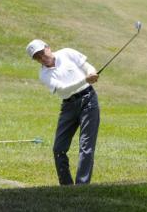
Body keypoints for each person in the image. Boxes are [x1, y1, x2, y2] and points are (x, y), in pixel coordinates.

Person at [26, 39, 100, 185]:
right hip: (68, 106)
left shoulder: (67, 53)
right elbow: (64, 90)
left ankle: (81, 186)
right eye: (37, 57)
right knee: (58, 149)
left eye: (42, 53)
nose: (42, 58)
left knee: (86, 146)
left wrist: (91, 72)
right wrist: (85, 79)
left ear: (48, 47)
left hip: (88, 100)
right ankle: (66, 186)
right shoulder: (44, 75)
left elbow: (86, 66)